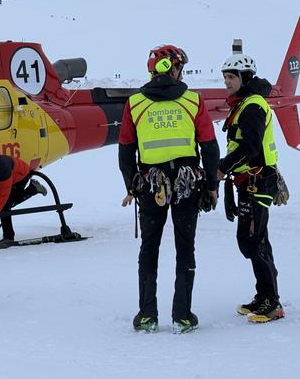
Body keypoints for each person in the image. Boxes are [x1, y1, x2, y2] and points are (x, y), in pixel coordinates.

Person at [119, 45, 220, 333]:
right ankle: (183, 315)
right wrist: (212, 185)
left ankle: (147, 315)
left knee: (149, 246)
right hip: (187, 184)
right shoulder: (193, 101)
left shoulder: (135, 103)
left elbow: (125, 150)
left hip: (151, 186)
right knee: (185, 246)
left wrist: (131, 185)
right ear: (174, 68)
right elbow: (209, 147)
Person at [216, 52, 285, 323]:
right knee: (257, 240)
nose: (227, 82)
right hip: (249, 181)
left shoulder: (253, 105)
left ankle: (271, 302)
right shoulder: (244, 104)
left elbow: (251, 146)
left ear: (244, 78)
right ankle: (264, 295)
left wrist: (222, 167)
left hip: (259, 181)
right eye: (225, 78)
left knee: (251, 240)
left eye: (231, 77)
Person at [0, 155, 48, 246]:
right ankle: (34, 188)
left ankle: (33, 189)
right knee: (4, 206)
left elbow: (4, 193)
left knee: (5, 207)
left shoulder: (2, 170)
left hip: (21, 176)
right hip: (11, 176)